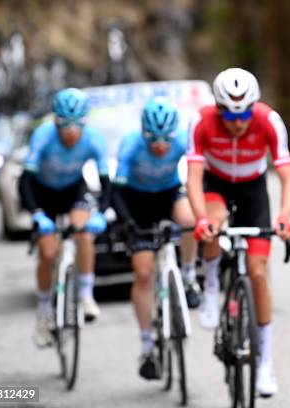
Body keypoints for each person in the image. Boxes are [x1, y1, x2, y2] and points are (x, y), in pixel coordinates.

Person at [187, 67, 290, 397]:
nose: (238, 121)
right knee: (214, 223)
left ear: (255, 106)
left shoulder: (268, 120)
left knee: (258, 273)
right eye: (230, 113)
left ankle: (264, 362)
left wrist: (285, 216)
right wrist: (200, 219)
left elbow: (286, 175)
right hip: (216, 184)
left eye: (245, 112)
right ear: (218, 107)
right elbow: (193, 177)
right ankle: (209, 288)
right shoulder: (202, 120)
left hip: (253, 190)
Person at [110, 96, 198, 380]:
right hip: (136, 204)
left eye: (165, 140)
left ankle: (188, 277)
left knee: (189, 221)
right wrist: (127, 224)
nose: (160, 146)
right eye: (153, 140)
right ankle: (147, 346)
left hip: (168, 195)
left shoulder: (184, 139)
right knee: (144, 273)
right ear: (144, 133)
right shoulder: (131, 144)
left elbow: (199, 173)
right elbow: (116, 192)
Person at [18, 88, 110, 347]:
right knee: (48, 253)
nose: (70, 131)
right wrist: (37, 214)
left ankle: (85, 294)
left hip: (72, 190)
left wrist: (101, 213)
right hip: (41, 193)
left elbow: (106, 182)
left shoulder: (93, 139)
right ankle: (44, 311)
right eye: (64, 125)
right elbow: (24, 181)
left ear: (85, 122)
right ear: (56, 121)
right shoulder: (43, 136)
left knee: (83, 232)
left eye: (76, 125)